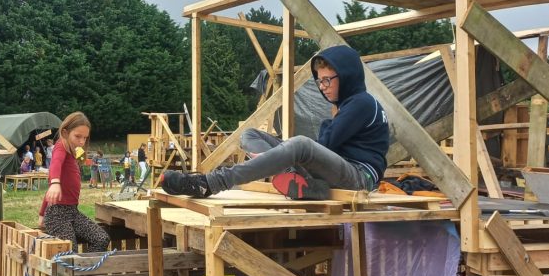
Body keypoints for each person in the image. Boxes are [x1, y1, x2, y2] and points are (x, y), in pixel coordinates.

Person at [162, 45, 389, 200]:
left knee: (300, 145)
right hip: (337, 171)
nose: (323, 86)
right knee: (250, 135)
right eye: (319, 81)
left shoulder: (362, 103)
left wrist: (287, 151)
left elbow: (326, 143)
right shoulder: (349, 104)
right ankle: (303, 182)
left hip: (360, 177)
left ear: (347, 76)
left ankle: (210, 183)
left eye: (327, 80)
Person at [39, 112, 110, 252]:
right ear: (65, 132)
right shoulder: (61, 146)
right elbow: (55, 164)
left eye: (85, 138)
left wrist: (97, 163)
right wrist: (55, 182)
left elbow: (84, 160)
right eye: (78, 136)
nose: (82, 141)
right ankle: (76, 271)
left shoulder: (75, 150)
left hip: (72, 211)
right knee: (71, 252)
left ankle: (85, 271)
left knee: (101, 239)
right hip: (56, 215)